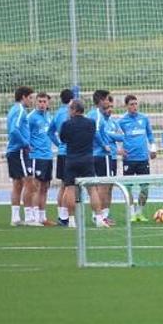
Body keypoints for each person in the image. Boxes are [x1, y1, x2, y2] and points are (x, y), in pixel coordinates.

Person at [59, 99, 105, 228]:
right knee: (92, 190)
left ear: (73, 110)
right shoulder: (91, 123)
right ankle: (99, 217)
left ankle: (72, 220)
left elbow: (63, 139)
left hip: (72, 159)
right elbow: (93, 137)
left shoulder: (67, 124)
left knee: (70, 189)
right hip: (87, 159)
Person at [119, 95, 157, 222]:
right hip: (129, 159)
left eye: (136, 104)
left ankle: (139, 212)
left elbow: (150, 135)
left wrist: (153, 148)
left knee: (145, 187)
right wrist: (119, 150)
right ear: (126, 106)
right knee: (128, 187)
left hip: (143, 158)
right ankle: (131, 213)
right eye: (131, 104)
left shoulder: (144, 118)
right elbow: (115, 136)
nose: (134, 106)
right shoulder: (122, 121)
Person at [25, 92, 56, 227]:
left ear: (48, 103)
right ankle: (35, 217)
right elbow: (25, 134)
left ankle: (43, 217)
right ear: (36, 102)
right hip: (36, 156)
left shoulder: (49, 117)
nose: (42, 104)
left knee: (45, 187)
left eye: (44, 102)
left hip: (48, 156)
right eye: (40, 101)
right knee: (36, 187)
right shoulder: (31, 117)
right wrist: (28, 146)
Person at [87, 90, 117, 225]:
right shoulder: (98, 115)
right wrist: (104, 145)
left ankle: (98, 215)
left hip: (92, 154)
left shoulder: (90, 114)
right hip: (101, 155)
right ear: (101, 101)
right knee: (103, 186)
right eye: (106, 99)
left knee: (97, 187)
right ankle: (101, 216)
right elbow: (96, 132)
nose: (107, 101)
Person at [6, 86, 34, 226]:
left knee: (17, 184)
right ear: (23, 97)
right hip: (20, 151)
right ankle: (29, 217)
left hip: (12, 151)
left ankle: (15, 217)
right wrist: (25, 144)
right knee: (29, 181)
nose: (31, 100)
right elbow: (14, 130)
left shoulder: (12, 109)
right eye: (30, 97)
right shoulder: (20, 110)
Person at [49, 89, 74, 226]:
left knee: (63, 185)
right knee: (69, 186)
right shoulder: (70, 113)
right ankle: (65, 216)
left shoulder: (57, 113)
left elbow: (50, 132)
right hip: (70, 153)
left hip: (62, 153)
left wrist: (59, 144)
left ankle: (62, 215)